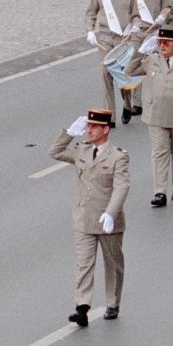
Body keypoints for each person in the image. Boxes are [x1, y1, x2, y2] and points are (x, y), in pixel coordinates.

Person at [50, 107, 130, 324]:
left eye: (95, 127)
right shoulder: (82, 150)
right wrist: (69, 132)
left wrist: (111, 213)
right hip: (83, 217)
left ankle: (112, 303)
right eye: (88, 126)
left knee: (112, 263)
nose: (90, 130)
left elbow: (121, 187)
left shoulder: (117, 157)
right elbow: (55, 152)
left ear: (106, 129)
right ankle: (82, 307)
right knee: (84, 263)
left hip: (107, 220)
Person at [129, 25, 173, 207]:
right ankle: (159, 191)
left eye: (166, 43)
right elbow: (129, 70)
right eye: (160, 43)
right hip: (156, 116)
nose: (162, 46)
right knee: (159, 153)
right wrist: (140, 51)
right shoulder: (152, 60)